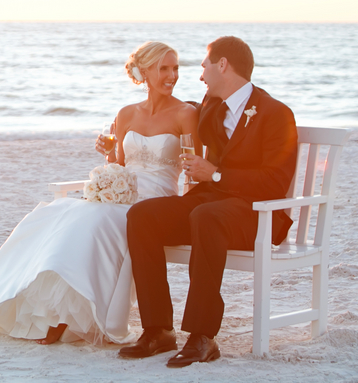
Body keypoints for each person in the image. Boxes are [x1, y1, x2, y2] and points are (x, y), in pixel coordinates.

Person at [0, 42, 200, 345]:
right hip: (123, 193)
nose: (172, 75)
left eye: (175, 68)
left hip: (157, 199)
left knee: (95, 219)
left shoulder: (185, 114)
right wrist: (108, 155)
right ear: (144, 72)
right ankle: (56, 312)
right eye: (164, 68)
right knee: (63, 213)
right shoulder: (127, 113)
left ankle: (73, 316)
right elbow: (119, 166)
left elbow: (193, 167)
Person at [120, 36, 298, 367]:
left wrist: (215, 175)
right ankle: (158, 329)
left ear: (223, 65)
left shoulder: (276, 113)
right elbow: (179, 112)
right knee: (142, 215)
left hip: (256, 213)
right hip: (210, 205)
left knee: (206, 216)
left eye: (203, 66)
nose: (200, 75)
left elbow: (274, 183)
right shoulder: (212, 104)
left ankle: (202, 336)